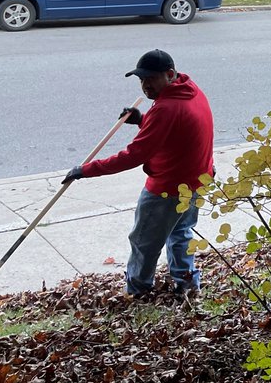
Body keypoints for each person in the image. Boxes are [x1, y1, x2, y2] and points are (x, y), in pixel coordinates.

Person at [63, 49, 215, 297]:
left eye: (151, 79)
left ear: (169, 74)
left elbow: (134, 155)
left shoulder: (165, 108)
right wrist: (142, 119)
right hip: (197, 181)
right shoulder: (190, 90)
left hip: (167, 190)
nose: (145, 86)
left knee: (144, 242)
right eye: (142, 80)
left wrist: (85, 170)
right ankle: (186, 284)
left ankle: (138, 289)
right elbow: (173, 131)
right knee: (180, 234)